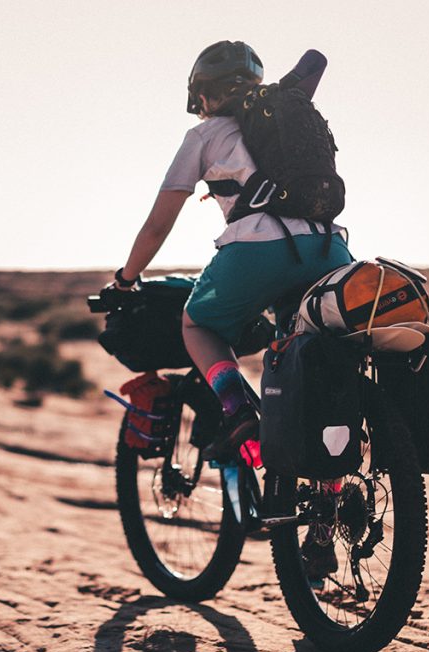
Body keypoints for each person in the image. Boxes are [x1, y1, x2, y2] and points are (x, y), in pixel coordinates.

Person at [111, 40, 353, 462]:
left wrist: (125, 279)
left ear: (203, 94)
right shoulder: (282, 119)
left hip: (257, 250)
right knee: (301, 360)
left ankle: (238, 410)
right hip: (331, 248)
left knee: (197, 325)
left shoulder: (204, 134)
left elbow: (157, 225)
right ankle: (327, 493)